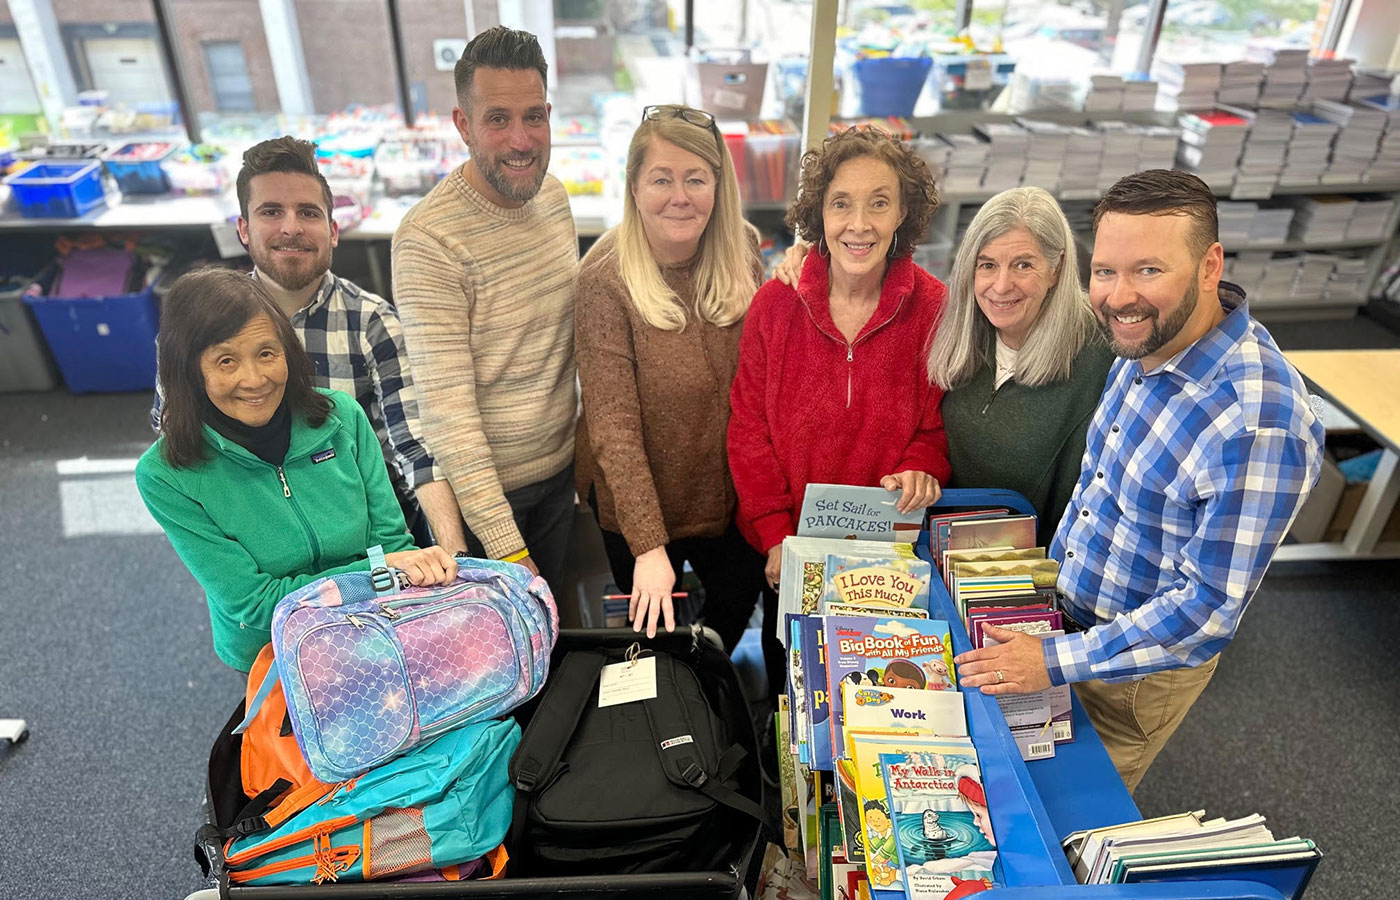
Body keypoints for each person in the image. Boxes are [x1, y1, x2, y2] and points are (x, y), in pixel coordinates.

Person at [953, 170, 1325, 792]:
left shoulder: (1260, 422)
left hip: (1130, 676)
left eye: (1149, 271)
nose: (1120, 296)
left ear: (1210, 266)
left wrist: (1052, 659)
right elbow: (1099, 491)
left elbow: (1205, 611)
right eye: (1105, 272)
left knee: (1071, 820)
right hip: (1064, 621)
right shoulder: (1145, 344)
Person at [150, 136, 466, 554]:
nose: (291, 227)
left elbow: (414, 449)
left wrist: (454, 552)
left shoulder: (373, 322)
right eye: (271, 211)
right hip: (255, 542)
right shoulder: (196, 327)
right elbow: (176, 437)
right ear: (243, 229)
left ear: (333, 231)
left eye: (308, 212)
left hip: (369, 535)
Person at [137, 268, 457, 672]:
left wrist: (414, 570)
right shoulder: (166, 475)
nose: (254, 379)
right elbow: (254, 603)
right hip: (274, 652)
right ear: (190, 372)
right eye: (226, 361)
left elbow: (391, 541)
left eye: (267, 353)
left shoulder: (343, 417)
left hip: (375, 625)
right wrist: (376, 573)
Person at [574, 104, 768, 648]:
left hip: (726, 495)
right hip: (639, 500)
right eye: (661, 178)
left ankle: (715, 685)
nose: (679, 196)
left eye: (695, 178)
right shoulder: (604, 280)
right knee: (655, 635)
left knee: (734, 605)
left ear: (718, 185)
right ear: (634, 187)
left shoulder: (742, 249)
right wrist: (648, 549)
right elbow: (613, 427)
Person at [392, 26, 577, 591]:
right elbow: (448, 417)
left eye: (533, 117)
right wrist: (507, 548)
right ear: (463, 125)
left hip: (560, 473)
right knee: (502, 665)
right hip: (488, 500)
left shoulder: (554, 198)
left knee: (556, 642)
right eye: (498, 119)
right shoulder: (429, 240)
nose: (521, 140)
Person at [728, 127, 951, 595]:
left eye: (879, 202)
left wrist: (921, 466)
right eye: (841, 203)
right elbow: (748, 429)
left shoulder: (934, 308)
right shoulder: (776, 305)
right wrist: (775, 536)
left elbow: (938, 426)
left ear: (902, 213)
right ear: (820, 213)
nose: (859, 224)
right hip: (786, 546)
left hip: (888, 553)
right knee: (788, 662)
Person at [926, 186, 1114, 546]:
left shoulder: (1100, 354)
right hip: (939, 547)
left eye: (1023, 265)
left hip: (1027, 573)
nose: (1001, 286)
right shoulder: (959, 325)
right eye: (987, 265)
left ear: (1056, 270)